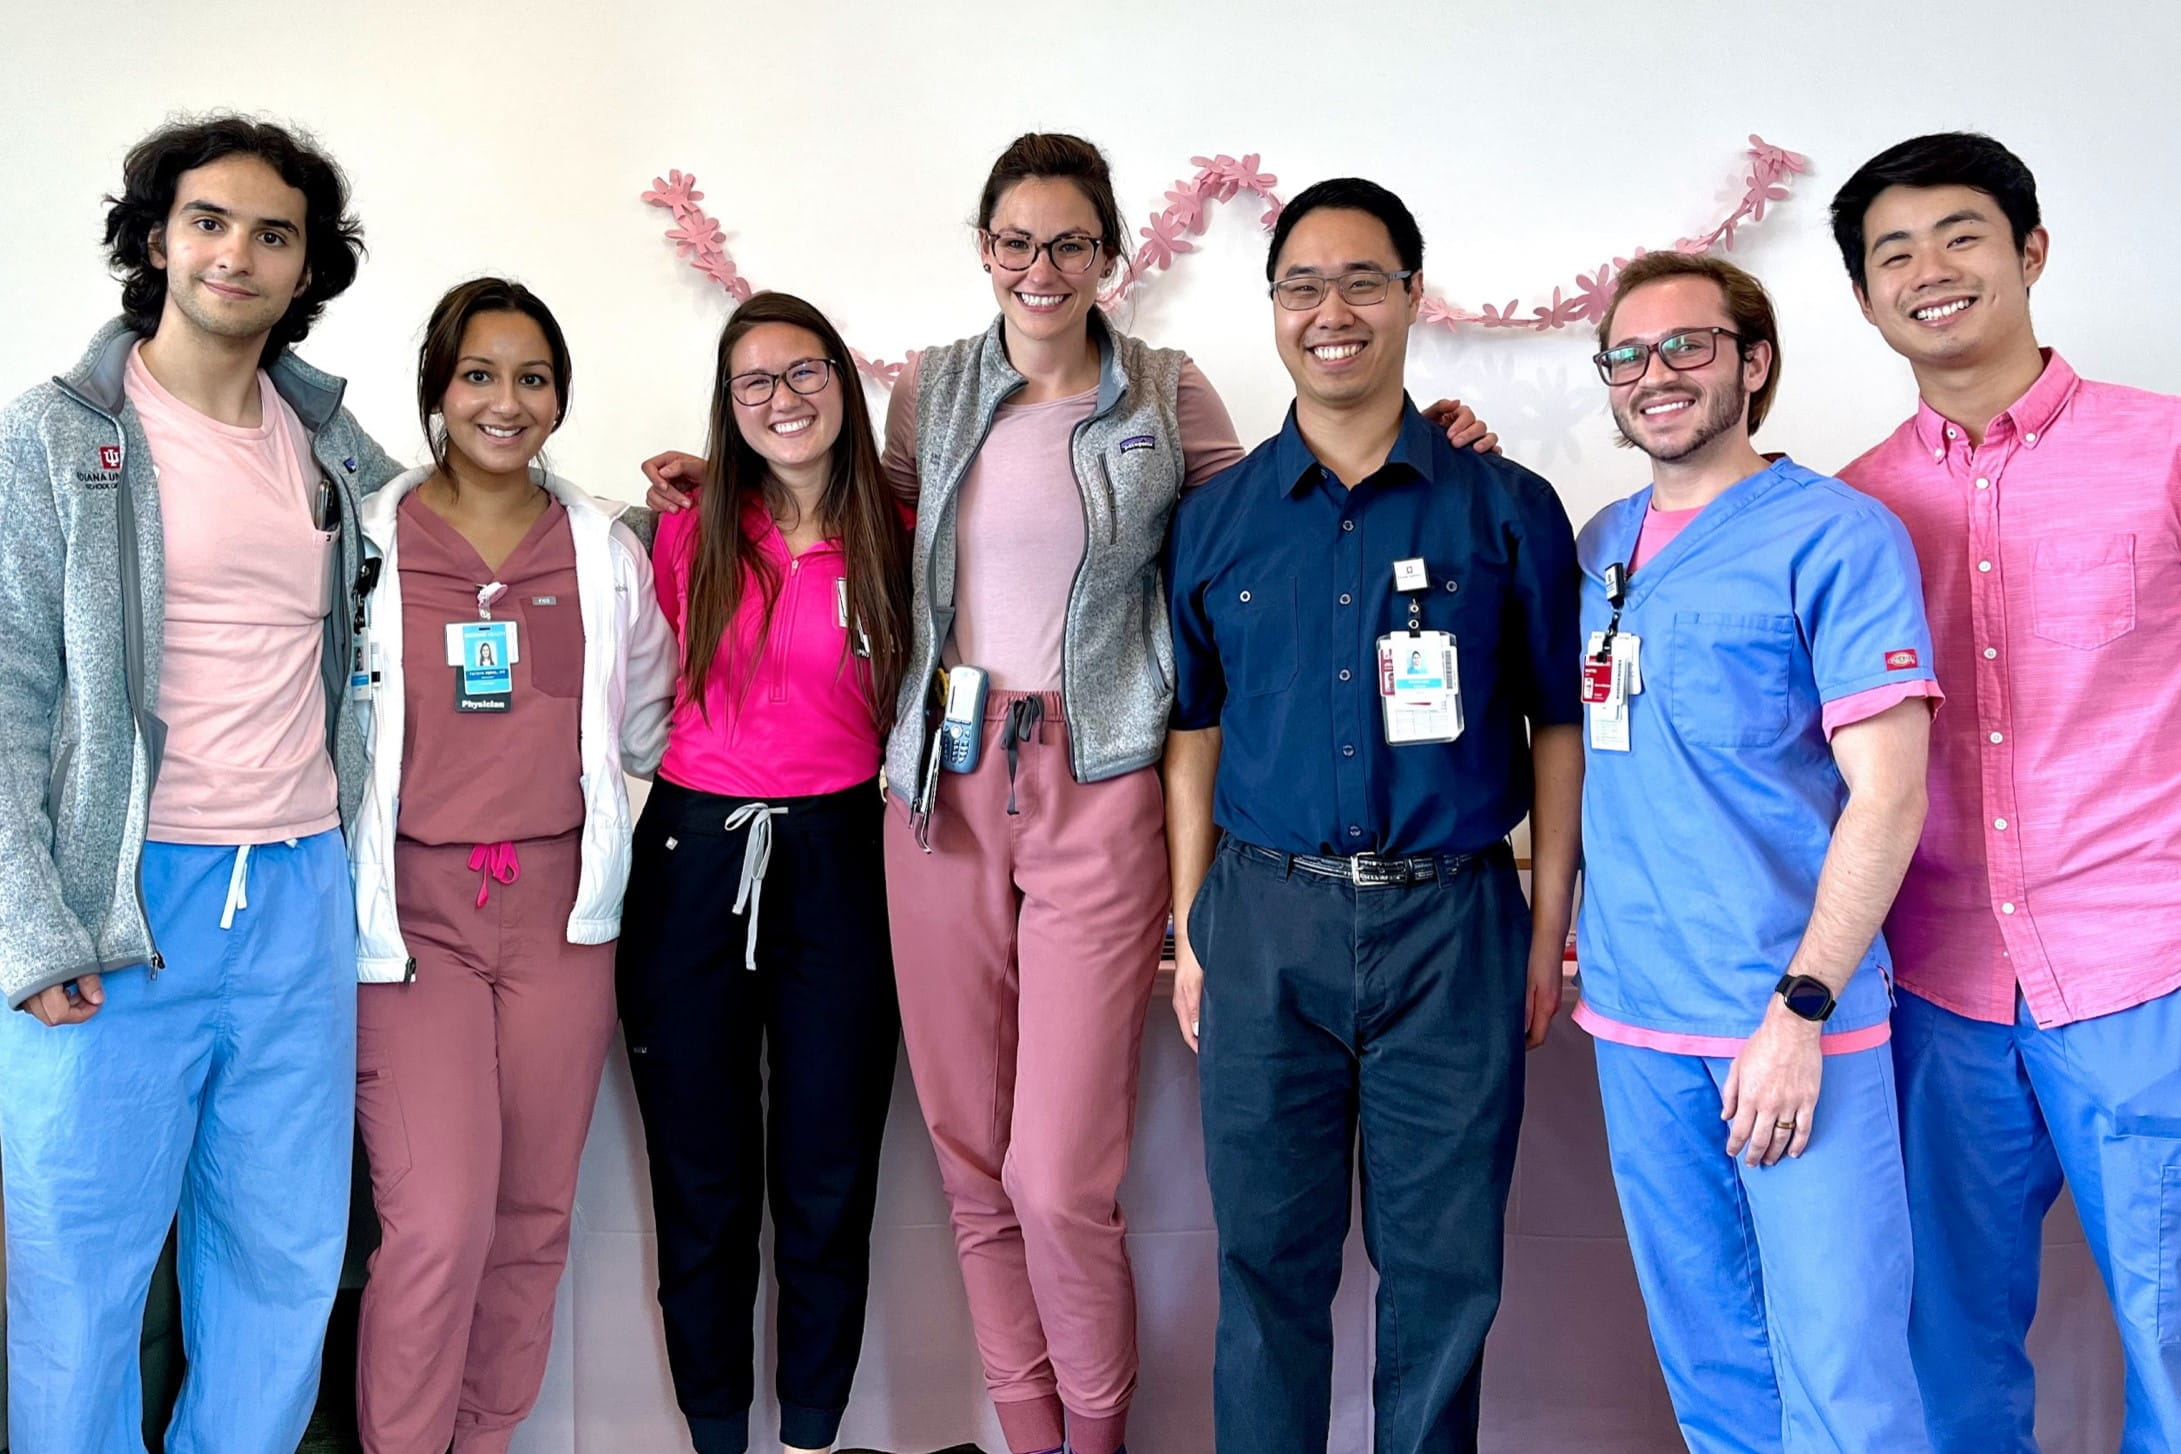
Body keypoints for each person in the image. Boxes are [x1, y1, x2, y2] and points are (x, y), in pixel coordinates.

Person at [641, 137, 1491, 1454]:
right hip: (938, 788)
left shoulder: (1162, 387)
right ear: (984, 250)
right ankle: (1028, 1431)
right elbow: (864, 520)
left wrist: (1426, 449)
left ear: (1111, 255)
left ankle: (1095, 1431)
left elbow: (1277, 509)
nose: (1040, 269)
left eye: (1068, 244)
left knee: (1055, 1176)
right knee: (969, 1156)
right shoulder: (931, 388)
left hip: (1098, 785)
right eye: (1015, 243)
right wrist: (725, 491)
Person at [0, 113, 401, 1453]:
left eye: (273, 232)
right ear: (157, 239)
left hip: (294, 894)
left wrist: (656, 519)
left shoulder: (333, 450)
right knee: (81, 1278)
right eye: (210, 220)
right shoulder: (57, 439)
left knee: (282, 1272)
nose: (238, 250)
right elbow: (5, 694)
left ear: (306, 270)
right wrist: (30, 926)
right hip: (119, 903)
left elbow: (468, 524)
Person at [1163, 177, 1581, 1454]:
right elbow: (1195, 732)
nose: (1330, 310)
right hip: (1264, 923)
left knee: (1446, 1279)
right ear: (1274, 307)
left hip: (1453, 925)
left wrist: (1546, 920)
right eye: (1302, 285)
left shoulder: (1504, 508)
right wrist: (1192, 930)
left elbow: (1559, 723)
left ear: (1412, 295)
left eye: (1361, 281)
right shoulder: (1216, 519)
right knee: (1265, 1270)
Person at [1829, 131, 2181, 1452]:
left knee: (2174, 1335)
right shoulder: (1853, 506)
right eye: (1893, 253)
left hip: (2144, 972)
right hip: (1937, 986)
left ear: (2030, 251)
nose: (1930, 270)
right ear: (1864, 300)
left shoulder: (2163, 451)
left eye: (1961, 235)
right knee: (1942, 1347)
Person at [1570, 251, 1937, 1452]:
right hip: (1635, 1018)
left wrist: (1801, 1007)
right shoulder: (1600, 543)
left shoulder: (1837, 536)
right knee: (1713, 1370)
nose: (1656, 374)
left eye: (1689, 345)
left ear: (1755, 362)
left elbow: (1889, 794)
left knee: (1844, 1374)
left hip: (1791, 1026)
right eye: (1628, 354)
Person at [345, 277, 675, 1453]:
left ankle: (483, 1437)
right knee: (437, 1220)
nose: (507, 399)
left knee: (534, 1217)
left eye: (532, 377)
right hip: (413, 919)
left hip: (559, 913)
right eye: (479, 374)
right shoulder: (369, 536)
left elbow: (646, 725)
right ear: (437, 390)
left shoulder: (599, 546)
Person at [617, 291, 910, 1454]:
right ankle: (718, 1431)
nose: (783, 399)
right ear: (729, 407)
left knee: (829, 1170)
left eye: (804, 374)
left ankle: (813, 1435)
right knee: (702, 1173)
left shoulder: (903, 522)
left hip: (844, 856)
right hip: (695, 856)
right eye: (756, 383)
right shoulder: (681, 525)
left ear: (843, 381)